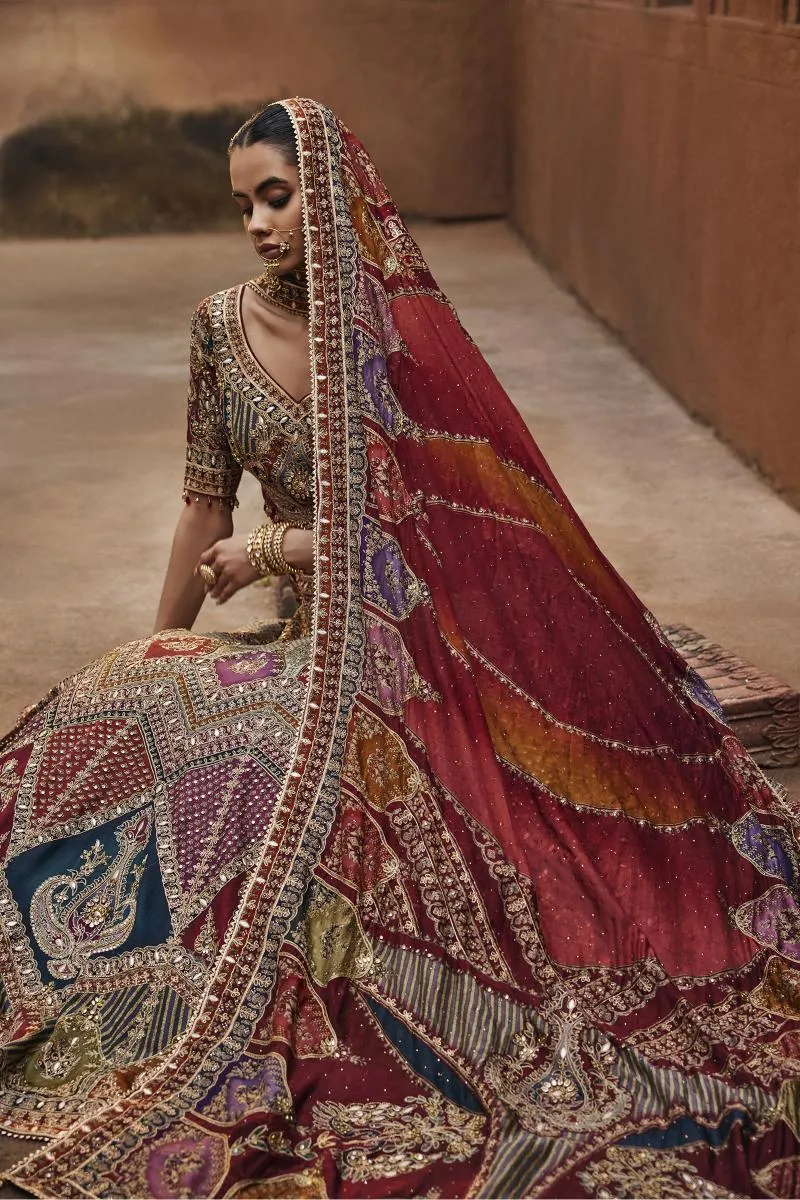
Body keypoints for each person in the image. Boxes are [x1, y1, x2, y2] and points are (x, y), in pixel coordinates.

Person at [1, 98, 799, 1200]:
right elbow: (201, 506)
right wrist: (165, 637)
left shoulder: (396, 336)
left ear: (328, 196)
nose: (258, 225)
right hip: (294, 640)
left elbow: (450, 540)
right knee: (118, 704)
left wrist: (280, 546)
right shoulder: (216, 327)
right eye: (242, 206)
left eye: (277, 198)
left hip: (404, 648)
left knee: (286, 788)